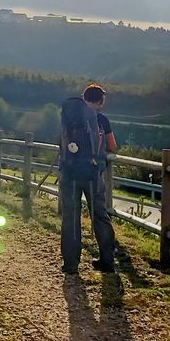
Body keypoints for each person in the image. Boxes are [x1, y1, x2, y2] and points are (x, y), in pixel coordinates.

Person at [59, 83, 117, 274]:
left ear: (83, 98)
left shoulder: (69, 116)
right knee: (99, 216)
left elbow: (61, 142)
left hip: (69, 173)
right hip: (92, 175)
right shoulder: (101, 120)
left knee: (71, 218)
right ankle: (107, 261)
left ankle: (70, 264)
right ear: (100, 101)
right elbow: (112, 146)